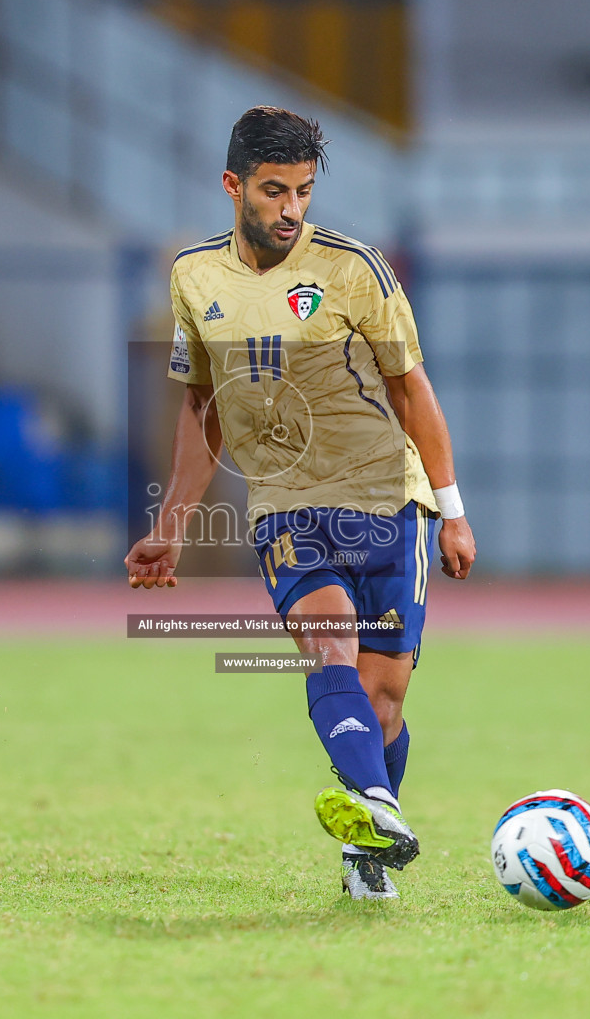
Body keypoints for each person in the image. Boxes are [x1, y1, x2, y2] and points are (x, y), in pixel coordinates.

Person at [124, 106, 476, 900]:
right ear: (233, 186)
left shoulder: (357, 269)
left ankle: (365, 843)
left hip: (390, 498)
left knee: (382, 703)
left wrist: (452, 510)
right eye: (274, 191)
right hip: (286, 506)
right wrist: (170, 527)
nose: (290, 210)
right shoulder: (193, 277)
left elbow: (410, 389)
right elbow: (201, 409)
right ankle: (380, 806)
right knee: (328, 641)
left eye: (304, 192)